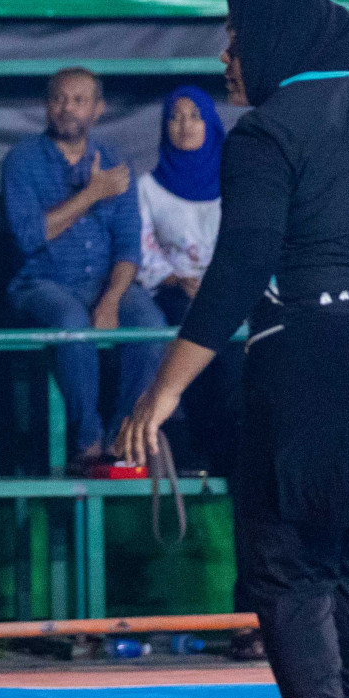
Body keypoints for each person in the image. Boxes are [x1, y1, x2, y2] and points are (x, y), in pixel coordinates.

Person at [118, 0, 349, 698]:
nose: (225, 58)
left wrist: (163, 393)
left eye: (236, 42)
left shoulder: (267, 130)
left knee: (287, 563)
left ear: (278, 47)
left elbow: (238, 267)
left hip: (306, 358)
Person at [2, 67, 166, 468]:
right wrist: (92, 193)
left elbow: (129, 248)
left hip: (103, 283)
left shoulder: (113, 161)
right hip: (40, 282)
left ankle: (122, 437)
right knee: (72, 321)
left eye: (78, 100)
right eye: (59, 98)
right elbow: (28, 236)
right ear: (46, 105)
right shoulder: (22, 160)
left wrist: (111, 300)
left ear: (97, 109)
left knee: (150, 324)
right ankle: (87, 440)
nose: (67, 108)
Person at [138, 85, 243, 472]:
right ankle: (198, 451)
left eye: (195, 115)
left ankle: (233, 451)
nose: (184, 125)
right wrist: (178, 280)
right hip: (177, 292)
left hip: (232, 287)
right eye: (175, 116)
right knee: (190, 330)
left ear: (211, 123)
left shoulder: (237, 180)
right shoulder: (148, 188)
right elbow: (144, 254)